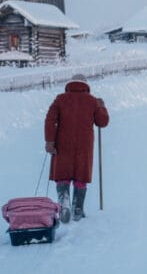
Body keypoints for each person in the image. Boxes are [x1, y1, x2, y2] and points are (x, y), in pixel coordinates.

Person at [44, 73, 109, 223]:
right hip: (83, 146)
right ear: (86, 86)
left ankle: (64, 201)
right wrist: (102, 106)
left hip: (63, 143)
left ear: (69, 84)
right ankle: (77, 209)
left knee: (63, 174)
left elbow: (50, 120)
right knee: (81, 176)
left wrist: (49, 141)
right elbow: (103, 122)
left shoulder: (60, 99)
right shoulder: (92, 101)